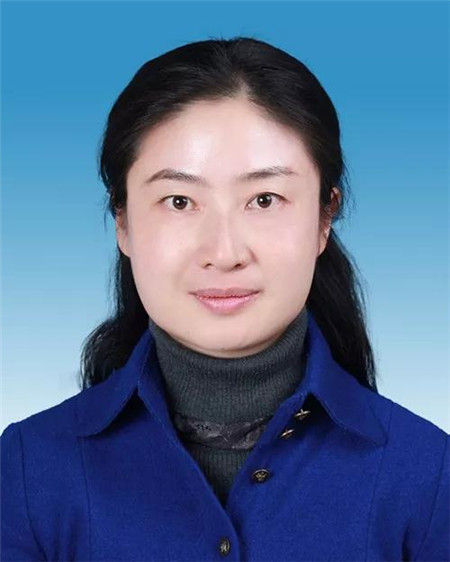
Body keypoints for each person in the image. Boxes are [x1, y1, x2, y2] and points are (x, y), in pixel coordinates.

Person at [1, 36, 449, 562]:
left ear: (324, 217)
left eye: (264, 199)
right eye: (179, 201)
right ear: (122, 221)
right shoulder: (29, 471)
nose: (224, 252)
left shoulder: (429, 477)